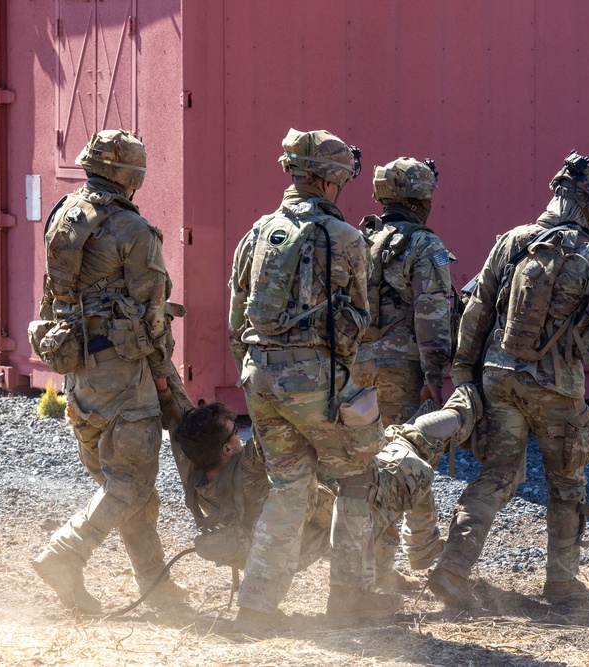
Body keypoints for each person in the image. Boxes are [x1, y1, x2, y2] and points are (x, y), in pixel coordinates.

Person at [427, 151, 589, 609]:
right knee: (566, 482)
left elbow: (478, 308)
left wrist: (464, 371)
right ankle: (561, 583)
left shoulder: (513, 241)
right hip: (556, 387)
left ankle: (451, 570)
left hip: (498, 377)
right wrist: (586, 338)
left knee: (497, 475)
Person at [227, 128, 395, 633]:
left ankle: (255, 606)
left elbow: (238, 320)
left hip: (260, 377)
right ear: (328, 180)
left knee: (289, 487)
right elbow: (363, 319)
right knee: (358, 478)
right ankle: (348, 599)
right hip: (315, 381)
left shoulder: (256, 233)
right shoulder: (344, 238)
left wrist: (257, 369)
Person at [30, 129, 188, 614]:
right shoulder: (133, 230)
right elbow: (152, 317)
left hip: (79, 370)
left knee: (124, 485)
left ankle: (156, 586)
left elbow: (54, 293)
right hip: (123, 372)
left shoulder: (65, 214)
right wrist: (166, 382)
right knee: (132, 481)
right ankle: (64, 554)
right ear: (131, 176)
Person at [171, 385, 479, 597]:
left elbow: (175, 412)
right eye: (235, 433)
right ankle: (471, 399)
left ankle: (385, 572)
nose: (241, 437)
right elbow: (280, 421)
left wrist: (164, 388)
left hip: (310, 538)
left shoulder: (195, 477)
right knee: (414, 442)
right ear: (226, 449)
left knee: (389, 446)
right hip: (345, 518)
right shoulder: (249, 467)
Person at [353, 157, 454, 424]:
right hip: (401, 372)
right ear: (420, 199)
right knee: (403, 456)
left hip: (355, 369)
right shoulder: (424, 243)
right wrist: (433, 376)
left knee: (365, 456)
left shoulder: (360, 239)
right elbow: (431, 313)